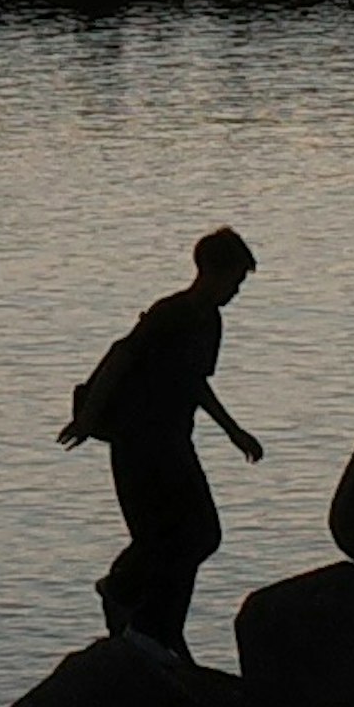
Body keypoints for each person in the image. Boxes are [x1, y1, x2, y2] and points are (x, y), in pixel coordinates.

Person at [61, 227, 262, 656]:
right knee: (171, 535)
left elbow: (195, 383)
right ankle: (146, 621)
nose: (236, 291)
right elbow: (120, 356)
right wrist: (87, 417)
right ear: (211, 271)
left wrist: (233, 431)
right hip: (139, 443)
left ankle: (142, 610)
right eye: (235, 280)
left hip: (173, 441)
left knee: (200, 533)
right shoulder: (171, 314)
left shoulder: (210, 321)